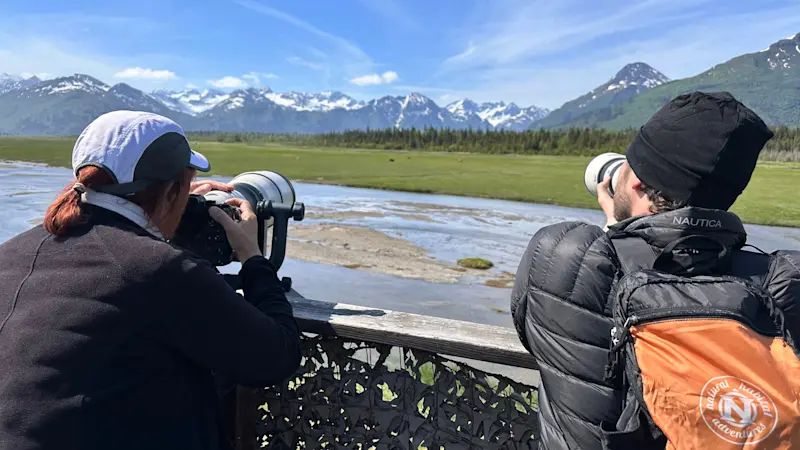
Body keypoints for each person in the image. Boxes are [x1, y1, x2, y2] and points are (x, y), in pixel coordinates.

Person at [509, 92, 800, 450]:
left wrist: (614, 231)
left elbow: (534, 326)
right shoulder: (781, 282)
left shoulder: (566, 254)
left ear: (635, 183)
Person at [0, 111, 302, 450]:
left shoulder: (12, 252)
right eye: (185, 187)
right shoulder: (161, 271)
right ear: (173, 190)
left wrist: (169, 220)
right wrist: (253, 257)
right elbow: (276, 355)